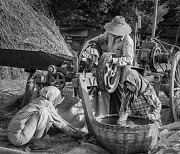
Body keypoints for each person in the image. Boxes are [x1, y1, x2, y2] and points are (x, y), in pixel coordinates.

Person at [7, 86, 85, 147]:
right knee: (44, 113)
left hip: (12, 136)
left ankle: (37, 139)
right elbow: (59, 122)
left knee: (45, 114)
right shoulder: (46, 104)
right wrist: (75, 133)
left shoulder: (38, 101)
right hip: (19, 138)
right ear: (53, 97)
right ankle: (37, 143)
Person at [88, 15, 134, 114]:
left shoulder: (127, 41)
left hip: (123, 66)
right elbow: (99, 38)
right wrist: (91, 42)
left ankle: (120, 115)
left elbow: (129, 59)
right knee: (108, 89)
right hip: (110, 64)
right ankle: (110, 113)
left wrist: (115, 61)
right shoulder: (109, 33)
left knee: (120, 90)